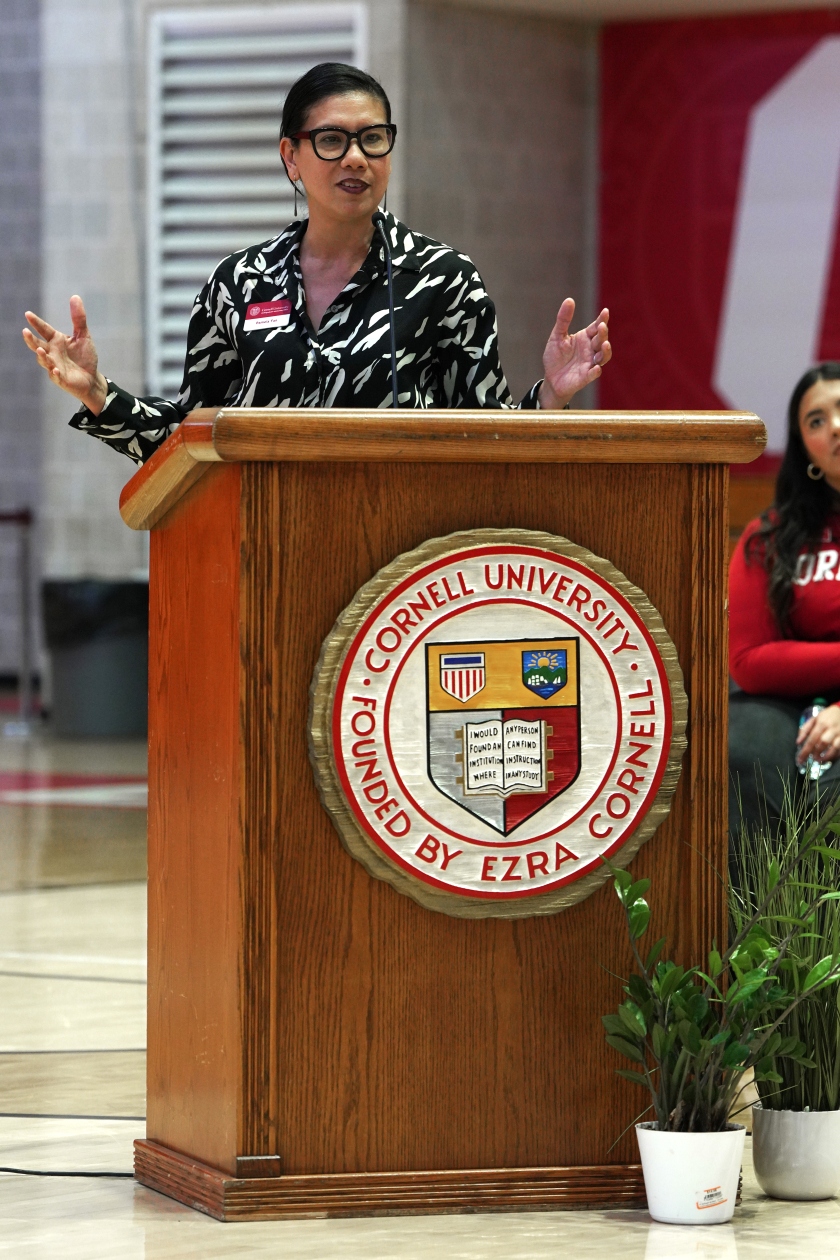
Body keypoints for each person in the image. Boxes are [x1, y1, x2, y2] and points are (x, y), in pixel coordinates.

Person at [22, 63, 611, 465]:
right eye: (331, 140)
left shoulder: (443, 279)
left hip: (402, 563)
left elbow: (488, 435)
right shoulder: (238, 284)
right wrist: (96, 391)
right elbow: (192, 439)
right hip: (264, 544)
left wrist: (551, 398)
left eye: (372, 138)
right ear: (291, 157)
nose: (355, 158)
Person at [729, 362, 840, 837]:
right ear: (806, 450)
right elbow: (749, 661)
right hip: (780, 703)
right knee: (744, 754)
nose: (835, 426)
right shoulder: (768, 537)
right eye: (816, 420)